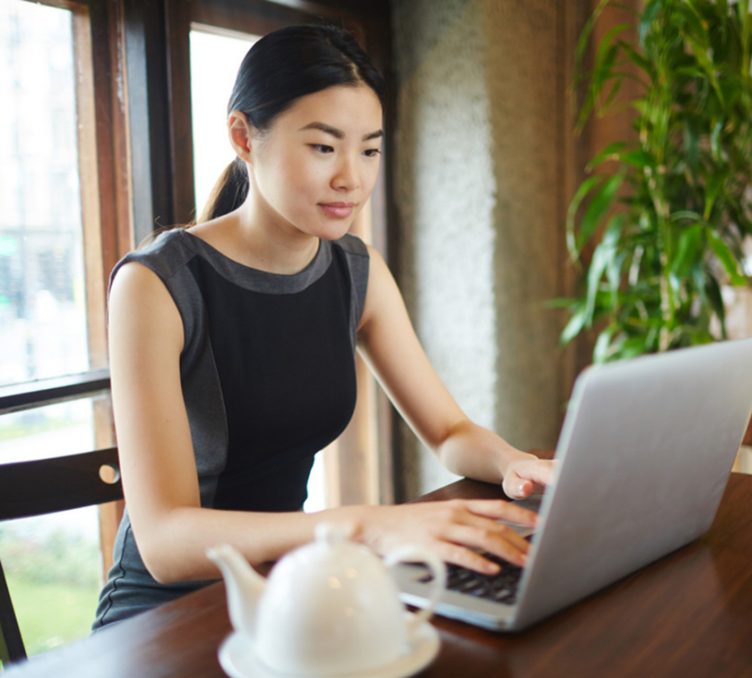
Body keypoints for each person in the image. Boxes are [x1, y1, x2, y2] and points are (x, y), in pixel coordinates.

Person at [93, 23, 553, 628]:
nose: (352, 179)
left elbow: (448, 431)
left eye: (369, 149)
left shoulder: (355, 271)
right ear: (243, 136)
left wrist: (513, 462)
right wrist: (365, 526)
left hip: (291, 591)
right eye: (323, 147)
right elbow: (165, 543)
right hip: (167, 617)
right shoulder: (157, 284)